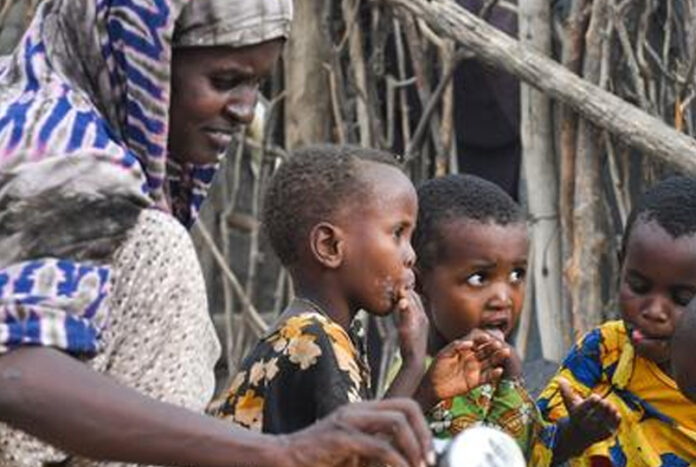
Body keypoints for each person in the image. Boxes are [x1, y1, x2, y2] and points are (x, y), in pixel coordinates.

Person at [0, 1, 434, 467]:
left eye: (257, 85)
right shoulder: (61, 152)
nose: (246, 111)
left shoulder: (38, 117)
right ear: (142, 56)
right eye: (225, 80)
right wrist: (282, 452)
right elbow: (14, 371)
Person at [214, 145, 507, 435]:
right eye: (397, 233)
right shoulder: (313, 338)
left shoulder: (324, 331)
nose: (411, 255)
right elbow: (363, 452)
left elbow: (354, 443)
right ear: (330, 246)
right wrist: (414, 364)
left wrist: (427, 389)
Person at [410, 174, 619, 464]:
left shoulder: (500, 369)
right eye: (479, 278)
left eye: (516, 274)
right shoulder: (417, 383)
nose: (503, 298)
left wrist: (575, 433)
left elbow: (529, 452)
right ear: (420, 284)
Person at [538, 176, 696, 466]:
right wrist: (573, 433)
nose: (654, 311)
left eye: (682, 299)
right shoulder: (605, 350)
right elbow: (534, 446)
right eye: (638, 286)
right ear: (621, 265)